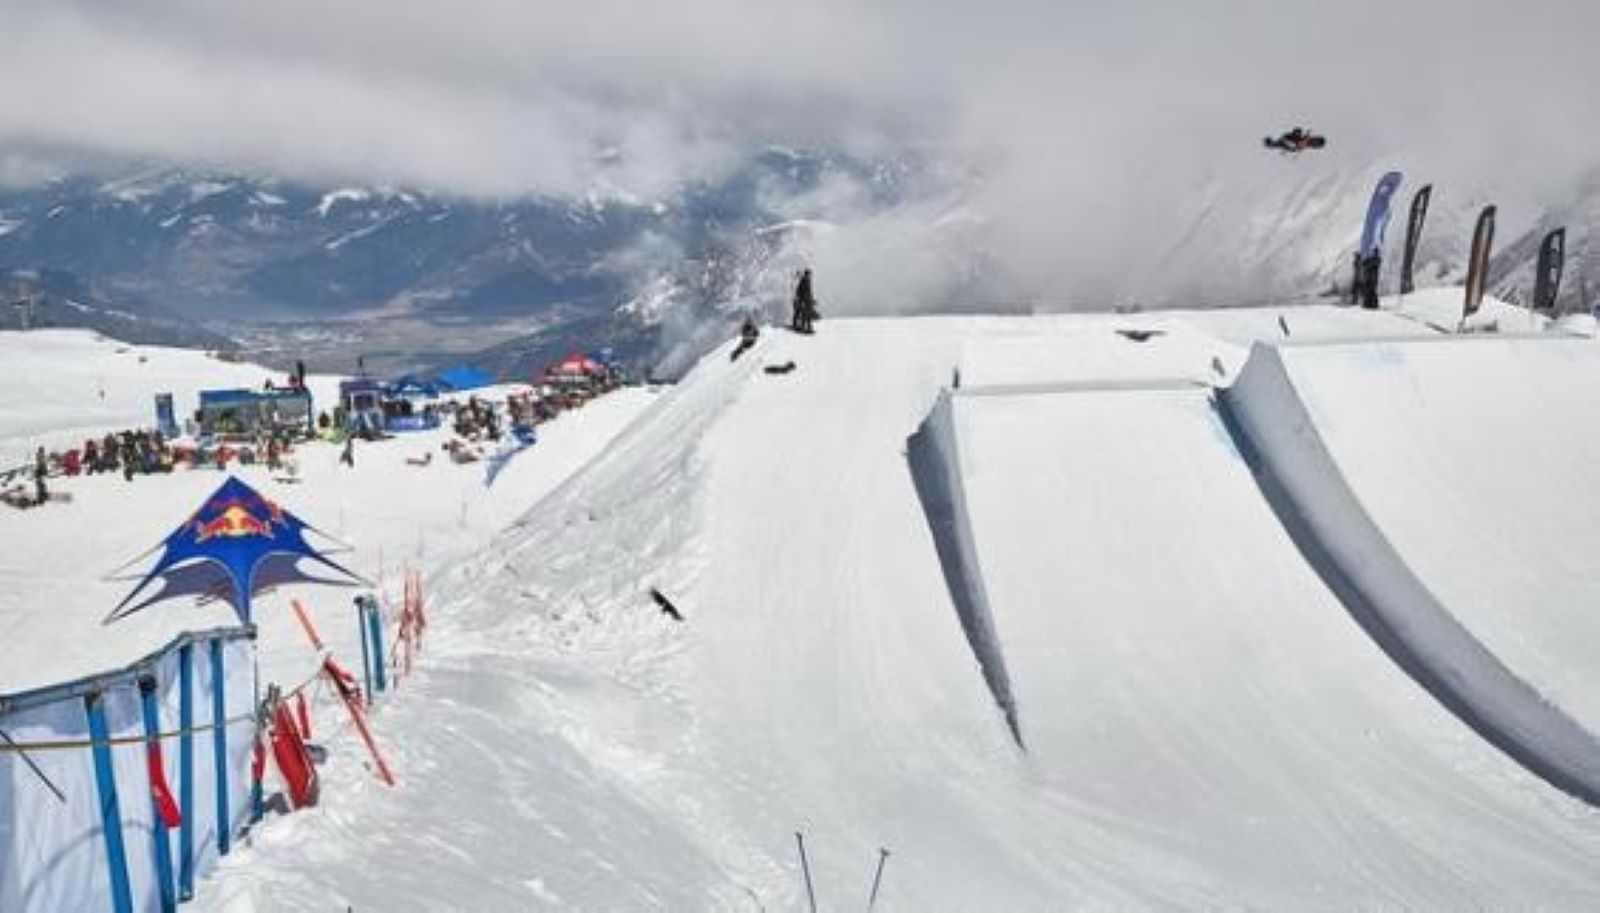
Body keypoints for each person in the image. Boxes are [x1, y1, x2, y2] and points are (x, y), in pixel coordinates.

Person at [792, 268, 818, 334]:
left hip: (806, 301)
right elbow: (803, 292)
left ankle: (805, 327)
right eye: (809, 274)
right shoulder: (805, 281)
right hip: (805, 301)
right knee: (805, 314)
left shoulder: (806, 281)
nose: (810, 276)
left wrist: (812, 300)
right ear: (807, 274)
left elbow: (807, 292)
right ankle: (804, 328)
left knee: (805, 314)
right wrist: (803, 300)